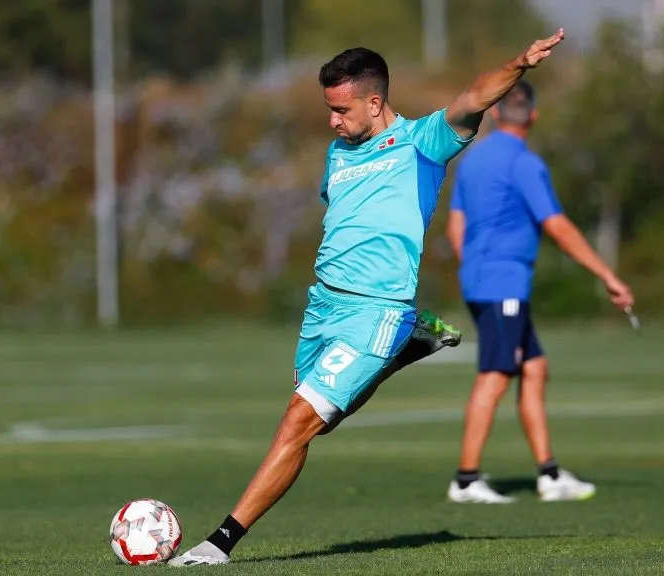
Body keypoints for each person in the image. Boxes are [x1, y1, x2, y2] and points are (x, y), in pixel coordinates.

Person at [169, 29, 568, 566]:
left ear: (374, 101)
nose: (333, 120)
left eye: (341, 108)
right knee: (323, 417)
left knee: (298, 421)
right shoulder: (338, 152)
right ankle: (409, 347)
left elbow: (474, 96)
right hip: (323, 306)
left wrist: (519, 63)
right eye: (329, 109)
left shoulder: (423, 143)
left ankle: (220, 543)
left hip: (377, 308)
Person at [444, 80, 634, 504]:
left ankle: (549, 475)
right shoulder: (526, 164)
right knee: (495, 376)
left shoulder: (472, 161)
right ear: (533, 115)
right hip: (503, 286)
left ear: (495, 113)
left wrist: (475, 267)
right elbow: (558, 226)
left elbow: (455, 226)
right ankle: (466, 480)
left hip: (482, 281)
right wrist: (607, 275)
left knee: (534, 367)